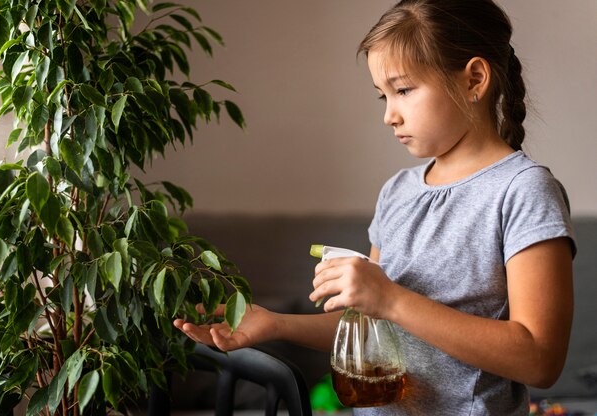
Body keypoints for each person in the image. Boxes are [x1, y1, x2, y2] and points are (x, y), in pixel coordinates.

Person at [174, 0, 576, 414]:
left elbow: (540, 360)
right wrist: (274, 323)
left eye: (403, 90)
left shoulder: (522, 191)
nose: (389, 116)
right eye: (382, 96)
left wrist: (391, 299)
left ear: (474, 79)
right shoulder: (397, 192)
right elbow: (373, 328)